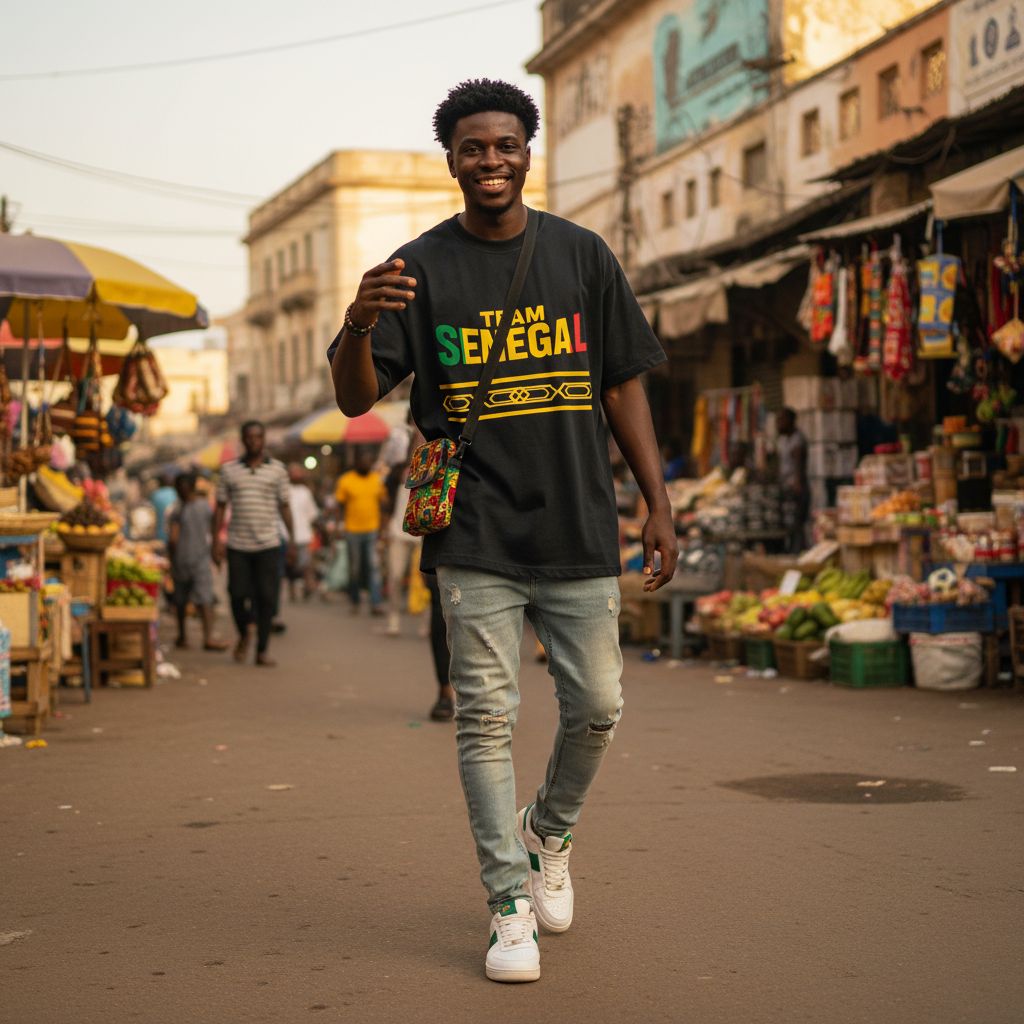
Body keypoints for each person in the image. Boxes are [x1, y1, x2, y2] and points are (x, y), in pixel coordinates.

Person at [329, 78, 677, 984]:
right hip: (474, 530)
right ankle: (507, 906)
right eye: (473, 148)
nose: (491, 161)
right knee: (485, 719)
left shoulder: (582, 256)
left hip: (576, 524)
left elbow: (623, 383)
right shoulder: (417, 266)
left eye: (505, 145)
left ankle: (547, 829)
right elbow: (359, 398)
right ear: (452, 159)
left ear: (529, 153)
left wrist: (658, 501)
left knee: (598, 705)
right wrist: (359, 322)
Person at [212, 421, 295, 667]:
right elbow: (220, 507)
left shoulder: (278, 470)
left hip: (269, 543)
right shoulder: (228, 471)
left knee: (267, 598)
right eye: (249, 437)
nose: (254, 441)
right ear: (243, 440)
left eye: (258, 437)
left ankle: (261, 650)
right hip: (238, 544)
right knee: (236, 594)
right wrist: (216, 539)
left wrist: (291, 541)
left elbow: (285, 507)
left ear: (264, 439)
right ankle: (244, 633)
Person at [167, 471, 227, 652]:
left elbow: (173, 539)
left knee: (185, 600)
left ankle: (184, 636)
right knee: (201, 599)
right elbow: (214, 528)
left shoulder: (178, 509)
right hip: (196, 558)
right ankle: (205, 637)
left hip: (189, 559)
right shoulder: (201, 507)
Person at [333, 449, 387, 616]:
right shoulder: (345, 480)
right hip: (352, 531)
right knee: (355, 568)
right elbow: (339, 506)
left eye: (369, 462)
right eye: (363, 461)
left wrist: (384, 528)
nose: (366, 464)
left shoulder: (377, 480)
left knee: (373, 567)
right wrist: (338, 526)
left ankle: (375, 603)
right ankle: (355, 601)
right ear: (356, 463)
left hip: (372, 530)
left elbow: (384, 504)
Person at [776, 407, 809, 553]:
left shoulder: (798, 440)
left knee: (797, 523)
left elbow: (798, 464)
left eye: (781, 420)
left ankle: (797, 553)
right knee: (789, 523)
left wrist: (797, 484)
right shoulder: (783, 440)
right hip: (787, 486)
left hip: (797, 488)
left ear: (791, 421)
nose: (778, 424)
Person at [286, 463, 320, 601]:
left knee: (305, 564)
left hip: (304, 534)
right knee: (290, 565)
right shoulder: (285, 490)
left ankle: (308, 587)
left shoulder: (305, 492)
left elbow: (312, 514)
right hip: (287, 535)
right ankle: (292, 591)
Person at [149, 472, 178, 546]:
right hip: (173, 533)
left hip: (160, 534)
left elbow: (152, 515)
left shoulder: (155, 495)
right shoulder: (176, 493)